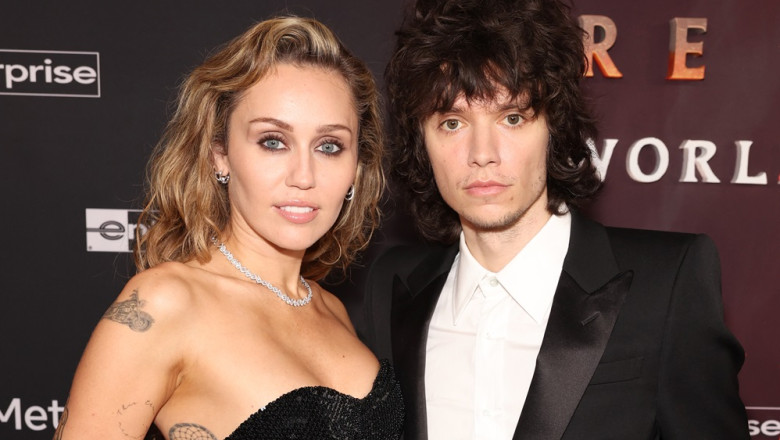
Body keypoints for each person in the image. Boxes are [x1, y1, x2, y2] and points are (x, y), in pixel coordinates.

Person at [359, 0, 749, 438]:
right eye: (452, 123)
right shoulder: (389, 287)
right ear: (421, 141)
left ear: (554, 129)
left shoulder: (668, 285)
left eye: (511, 118)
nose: (482, 154)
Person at [55, 16, 403, 440]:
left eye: (329, 146)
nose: (304, 176)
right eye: (273, 141)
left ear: (356, 165)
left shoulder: (332, 310)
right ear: (220, 153)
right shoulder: (166, 302)